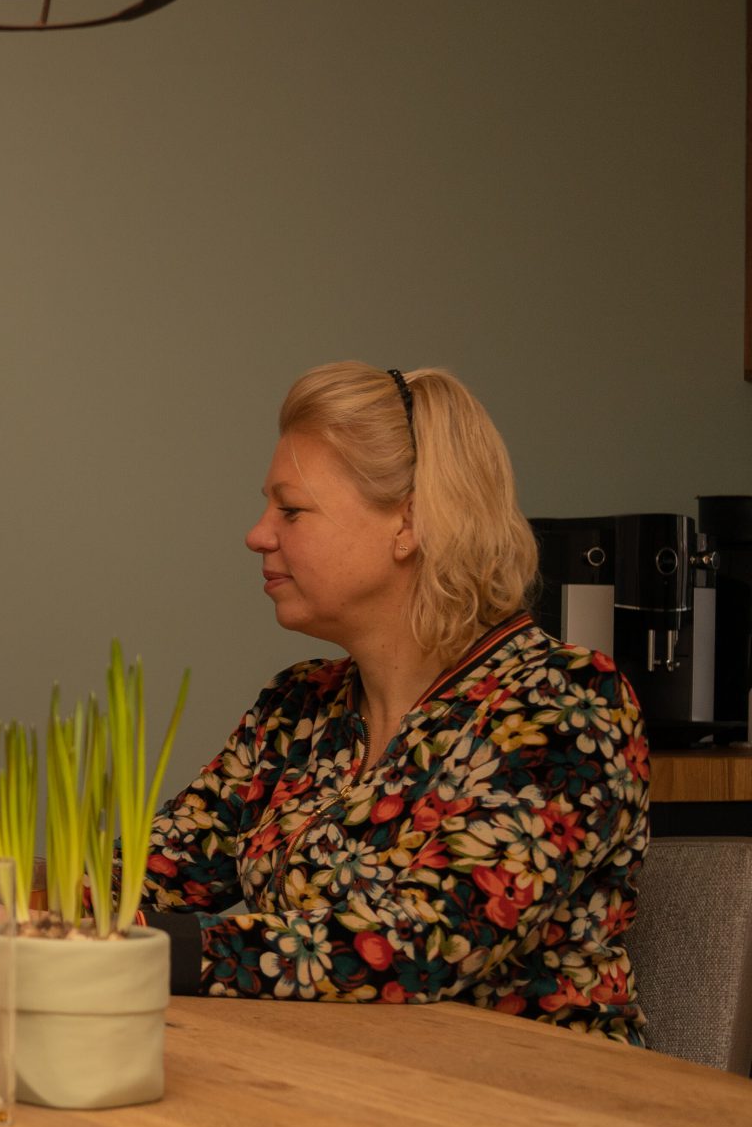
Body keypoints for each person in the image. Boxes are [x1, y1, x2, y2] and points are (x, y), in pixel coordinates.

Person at [140, 362, 646, 1041]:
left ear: (407, 521)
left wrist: (145, 948)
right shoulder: (298, 707)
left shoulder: (566, 704)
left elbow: (423, 944)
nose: (258, 534)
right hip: (345, 1073)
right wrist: (17, 902)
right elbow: (153, 873)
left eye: (291, 509)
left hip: (536, 1093)